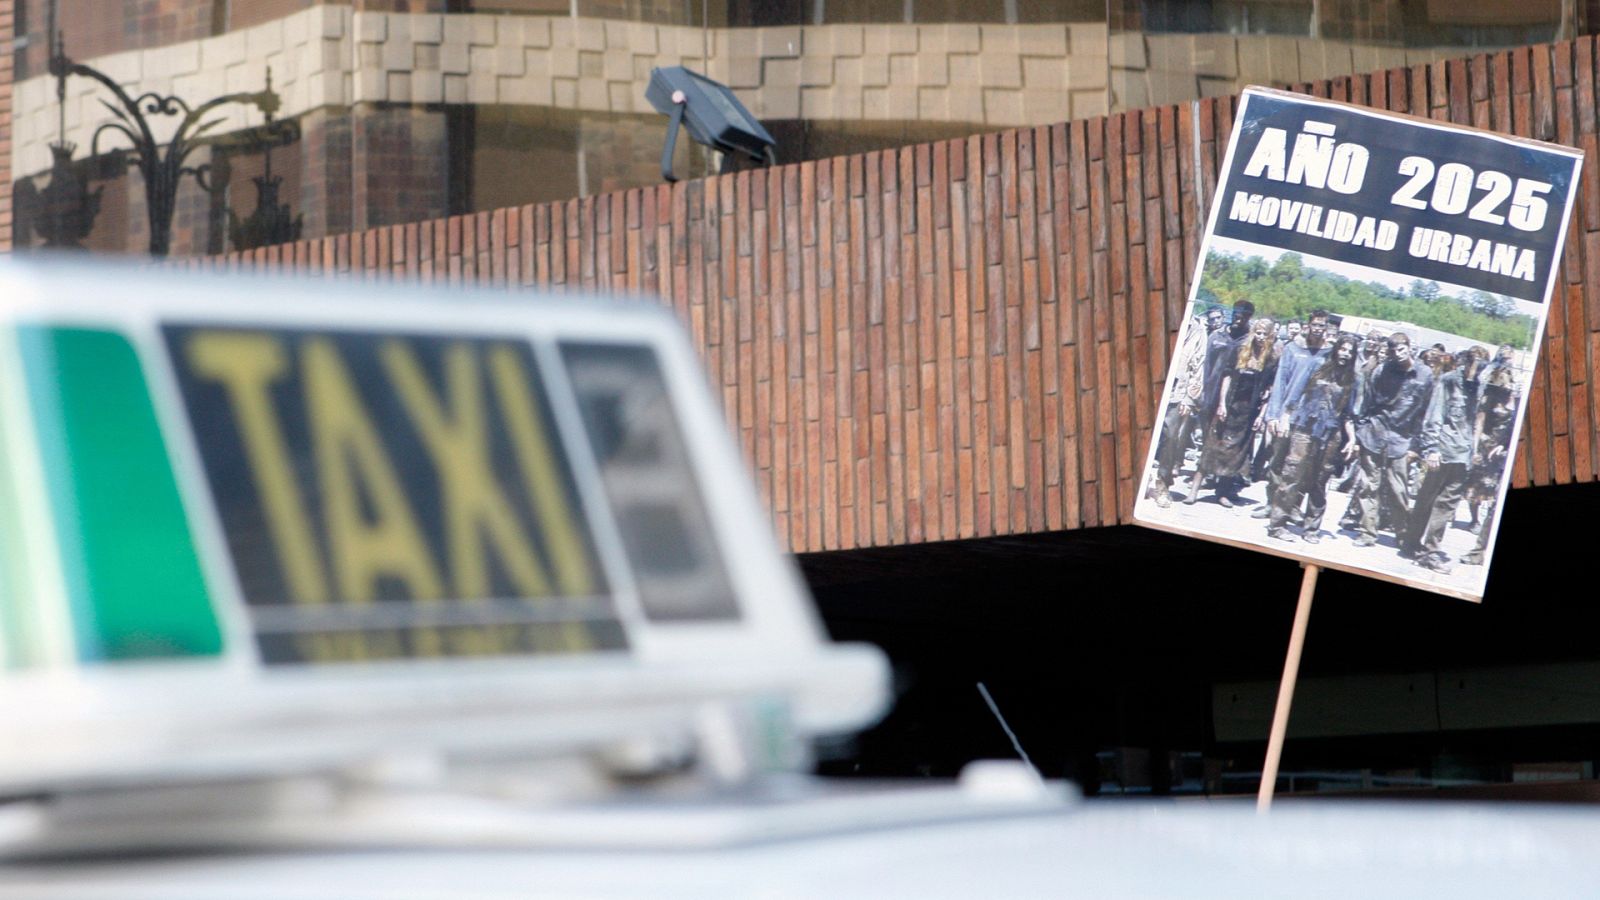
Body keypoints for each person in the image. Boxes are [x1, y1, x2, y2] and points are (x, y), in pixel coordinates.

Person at [1266, 333, 1361, 543]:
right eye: (1343, 349)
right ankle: (1277, 524)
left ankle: (1311, 528)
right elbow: (1295, 394)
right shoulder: (1317, 364)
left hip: (1330, 434)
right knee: (1291, 476)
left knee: (1320, 481)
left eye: (1350, 352)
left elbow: (1349, 414)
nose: (1345, 354)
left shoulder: (1352, 380)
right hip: (1304, 428)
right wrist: (1284, 417)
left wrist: (1352, 440)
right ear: (1336, 349)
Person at [1348, 332, 1432, 547]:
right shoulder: (1382, 370)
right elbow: (1366, 401)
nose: (1398, 354)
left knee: (1399, 490)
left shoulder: (1425, 374)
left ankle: (1404, 536)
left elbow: (1426, 413)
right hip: (1374, 434)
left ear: (1410, 347)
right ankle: (1368, 533)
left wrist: (1416, 447)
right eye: (1393, 350)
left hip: (1402, 440)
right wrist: (1361, 432)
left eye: (1402, 349)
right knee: (1369, 487)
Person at [1400, 349, 1477, 573]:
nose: (1478, 370)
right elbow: (1434, 416)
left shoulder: (1479, 386)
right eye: (1475, 365)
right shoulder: (1449, 381)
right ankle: (1412, 543)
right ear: (1465, 364)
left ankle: (1430, 551)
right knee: (1425, 499)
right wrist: (1431, 449)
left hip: (1463, 456)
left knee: (1447, 505)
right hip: (1443, 451)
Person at [1251, 309, 1332, 520]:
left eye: (1322, 326)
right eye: (1315, 324)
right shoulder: (1293, 348)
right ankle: (1271, 504)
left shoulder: (1330, 353)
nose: (1318, 329)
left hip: (1310, 420)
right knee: (1277, 462)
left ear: (1327, 328)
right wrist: (1274, 415)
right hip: (1287, 415)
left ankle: (1292, 507)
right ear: (1308, 325)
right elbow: (1280, 382)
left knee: (1301, 466)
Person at [1192, 315, 1274, 507]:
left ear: (1270, 336)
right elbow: (1226, 377)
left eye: (1265, 334)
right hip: (1229, 405)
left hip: (1249, 412)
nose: (1260, 337)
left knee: (1236, 453)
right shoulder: (1239, 350)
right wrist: (1221, 404)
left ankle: (1223, 492)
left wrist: (1261, 415)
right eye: (1258, 333)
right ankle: (1195, 488)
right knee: (1213, 445)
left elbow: (1269, 389)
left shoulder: (1270, 359)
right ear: (1253, 333)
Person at [1150, 306, 1224, 508]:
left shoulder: (1197, 331)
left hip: (1177, 392)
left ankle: (1162, 485)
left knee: (1171, 437)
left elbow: (1197, 367)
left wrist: (1189, 399)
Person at [1183, 300, 1254, 504]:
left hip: (1236, 402)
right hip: (1212, 396)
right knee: (1208, 441)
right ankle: (1201, 483)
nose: (1239, 317)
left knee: (1229, 446)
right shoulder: (1217, 336)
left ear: (1250, 316)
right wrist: (1202, 395)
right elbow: (1205, 367)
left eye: (1244, 314)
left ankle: (1223, 489)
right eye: (1237, 313)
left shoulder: (1249, 340)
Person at [1460, 363, 1520, 566]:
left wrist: (1505, 446)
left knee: (1495, 503)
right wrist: (1477, 449)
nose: (1507, 382)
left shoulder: (1519, 401)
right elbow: (1478, 425)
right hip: (1488, 451)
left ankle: (1481, 549)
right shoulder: (1489, 398)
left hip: (1506, 456)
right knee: (1483, 495)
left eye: (1509, 377)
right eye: (1503, 378)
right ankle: (1477, 542)